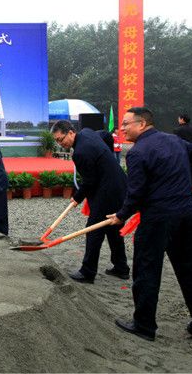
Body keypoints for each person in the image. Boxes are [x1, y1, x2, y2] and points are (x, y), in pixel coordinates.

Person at [107, 107, 192, 344]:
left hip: (158, 218)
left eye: (125, 124)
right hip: (187, 213)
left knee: (147, 269)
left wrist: (121, 215)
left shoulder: (137, 152)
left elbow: (135, 193)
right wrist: (190, 183)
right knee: (189, 269)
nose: (121, 129)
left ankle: (144, 325)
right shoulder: (174, 140)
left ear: (142, 124)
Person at [51, 120, 130, 284]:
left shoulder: (80, 153)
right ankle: (121, 267)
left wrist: (77, 197)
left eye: (61, 139)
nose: (60, 144)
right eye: (57, 141)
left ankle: (88, 272)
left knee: (93, 230)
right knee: (113, 228)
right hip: (120, 186)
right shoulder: (87, 132)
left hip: (107, 192)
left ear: (71, 132)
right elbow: (106, 135)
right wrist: (106, 158)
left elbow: (89, 182)